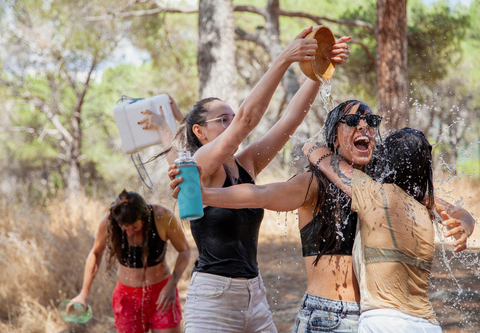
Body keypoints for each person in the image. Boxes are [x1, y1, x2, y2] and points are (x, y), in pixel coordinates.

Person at [171, 101, 474, 332]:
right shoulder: (315, 182)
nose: (364, 126)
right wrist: (206, 196)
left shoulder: (382, 187)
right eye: (353, 120)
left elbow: (452, 209)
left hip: (371, 318)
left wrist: (463, 223)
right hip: (329, 316)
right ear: (336, 136)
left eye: (371, 121)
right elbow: (261, 194)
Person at [165, 27, 351, 333]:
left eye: (230, 116)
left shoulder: (246, 162)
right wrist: (283, 59)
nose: (231, 122)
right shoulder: (201, 166)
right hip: (213, 298)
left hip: (254, 293)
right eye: (221, 120)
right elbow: (246, 120)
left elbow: (291, 119)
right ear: (199, 132)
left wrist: (321, 68)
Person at [303, 128, 474, 332]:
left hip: (383, 322)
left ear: (385, 160)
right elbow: (464, 214)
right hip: (428, 324)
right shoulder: (424, 205)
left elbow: (314, 152)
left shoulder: (372, 193)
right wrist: (464, 227)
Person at [68, 190, 191, 333]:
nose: (129, 232)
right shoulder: (109, 222)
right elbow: (95, 254)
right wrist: (84, 293)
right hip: (127, 298)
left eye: (134, 227)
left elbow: (184, 251)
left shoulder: (161, 216)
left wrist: (171, 285)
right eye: (125, 227)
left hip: (161, 293)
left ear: (144, 216)